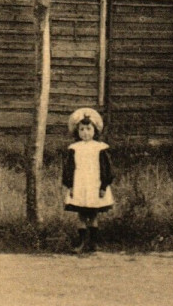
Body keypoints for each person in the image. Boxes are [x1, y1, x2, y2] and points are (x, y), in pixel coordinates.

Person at [62, 107, 114, 253]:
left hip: (94, 185)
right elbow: (69, 169)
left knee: (93, 214)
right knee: (81, 215)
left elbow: (106, 169)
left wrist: (103, 186)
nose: (85, 133)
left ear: (95, 130)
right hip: (80, 185)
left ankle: (93, 243)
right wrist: (70, 186)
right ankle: (80, 243)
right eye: (82, 129)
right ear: (77, 132)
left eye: (88, 129)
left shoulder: (100, 148)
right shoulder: (74, 148)